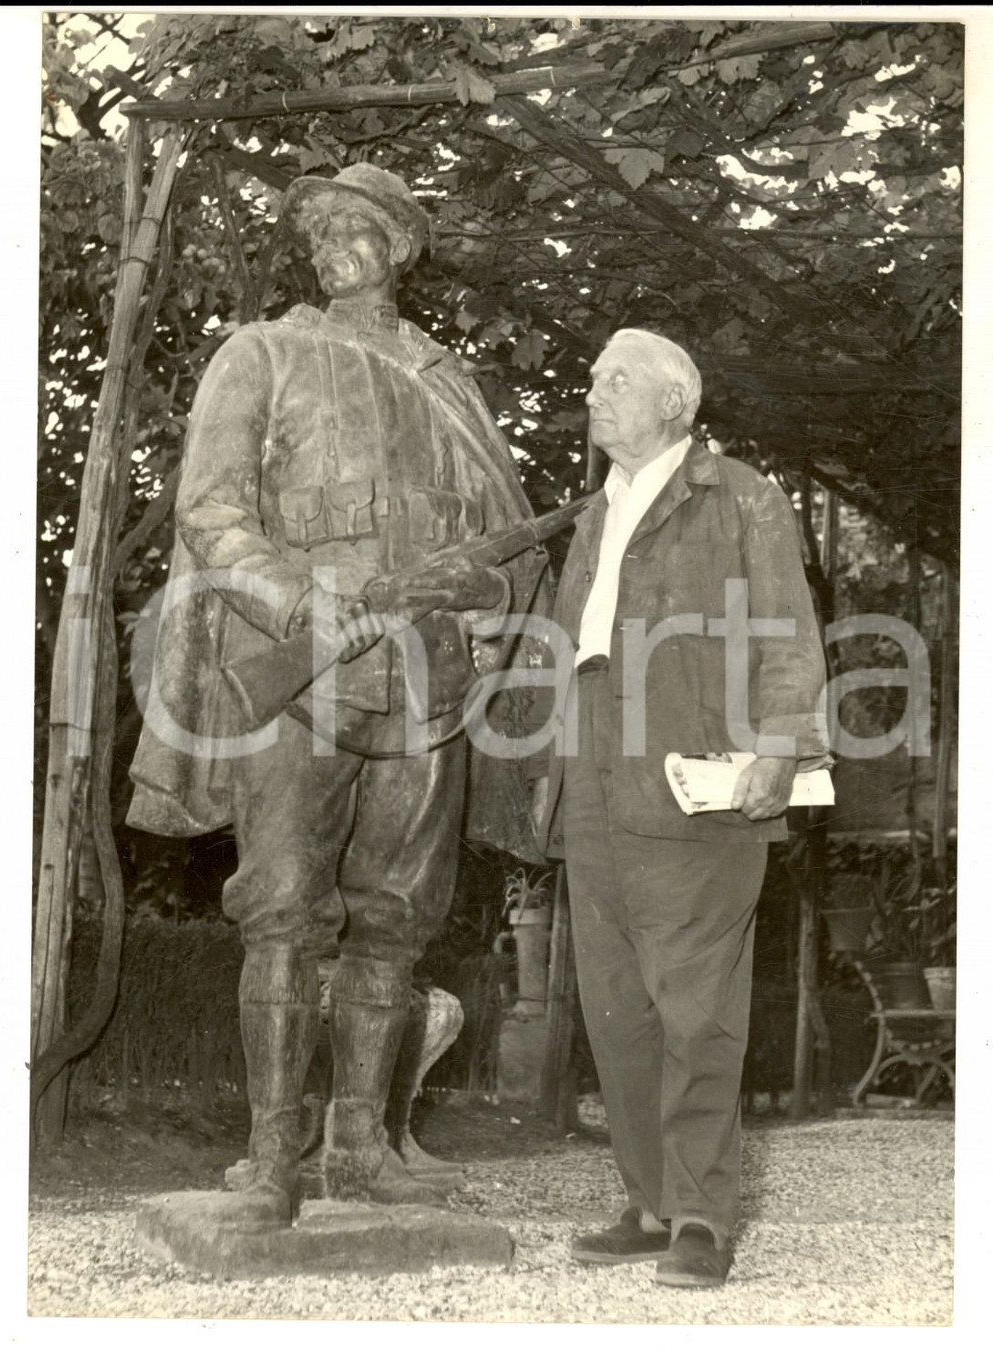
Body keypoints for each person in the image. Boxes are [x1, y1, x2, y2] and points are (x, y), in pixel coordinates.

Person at [127, 164, 546, 1225]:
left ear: (400, 246)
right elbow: (212, 510)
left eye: (355, 227)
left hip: (428, 682)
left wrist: (479, 588)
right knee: (280, 913)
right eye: (317, 231)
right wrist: (303, 603)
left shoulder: (451, 384)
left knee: (399, 922)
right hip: (302, 673)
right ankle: (273, 1155)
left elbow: (510, 550)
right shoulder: (260, 354)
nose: (332, 244)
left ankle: (362, 1143)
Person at [534, 328, 829, 1287]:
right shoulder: (594, 515)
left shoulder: (738, 495)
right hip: (595, 787)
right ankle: (652, 1200)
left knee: (697, 1013)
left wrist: (781, 748)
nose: (594, 393)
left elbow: (789, 625)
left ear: (675, 402)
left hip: (699, 784)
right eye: (591, 381)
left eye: (615, 380)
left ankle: (703, 1214)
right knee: (617, 1011)